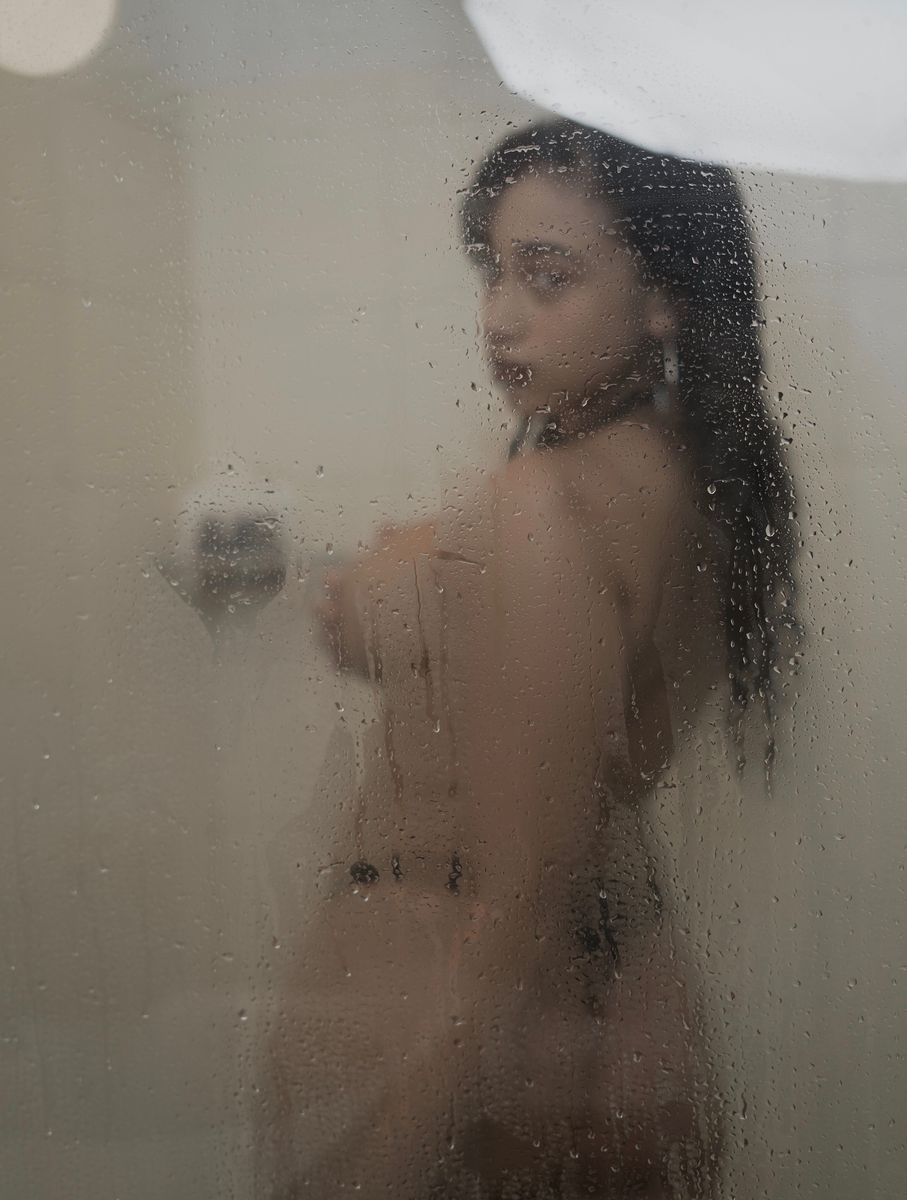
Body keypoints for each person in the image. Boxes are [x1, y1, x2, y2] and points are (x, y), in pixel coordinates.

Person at [259, 118, 797, 1199]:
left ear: (662, 296)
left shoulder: (543, 504)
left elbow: (520, 901)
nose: (497, 316)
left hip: (474, 1031)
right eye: (492, 271)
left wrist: (383, 1168)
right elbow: (583, 755)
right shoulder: (693, 490)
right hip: (617, 990)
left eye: (546, 276)